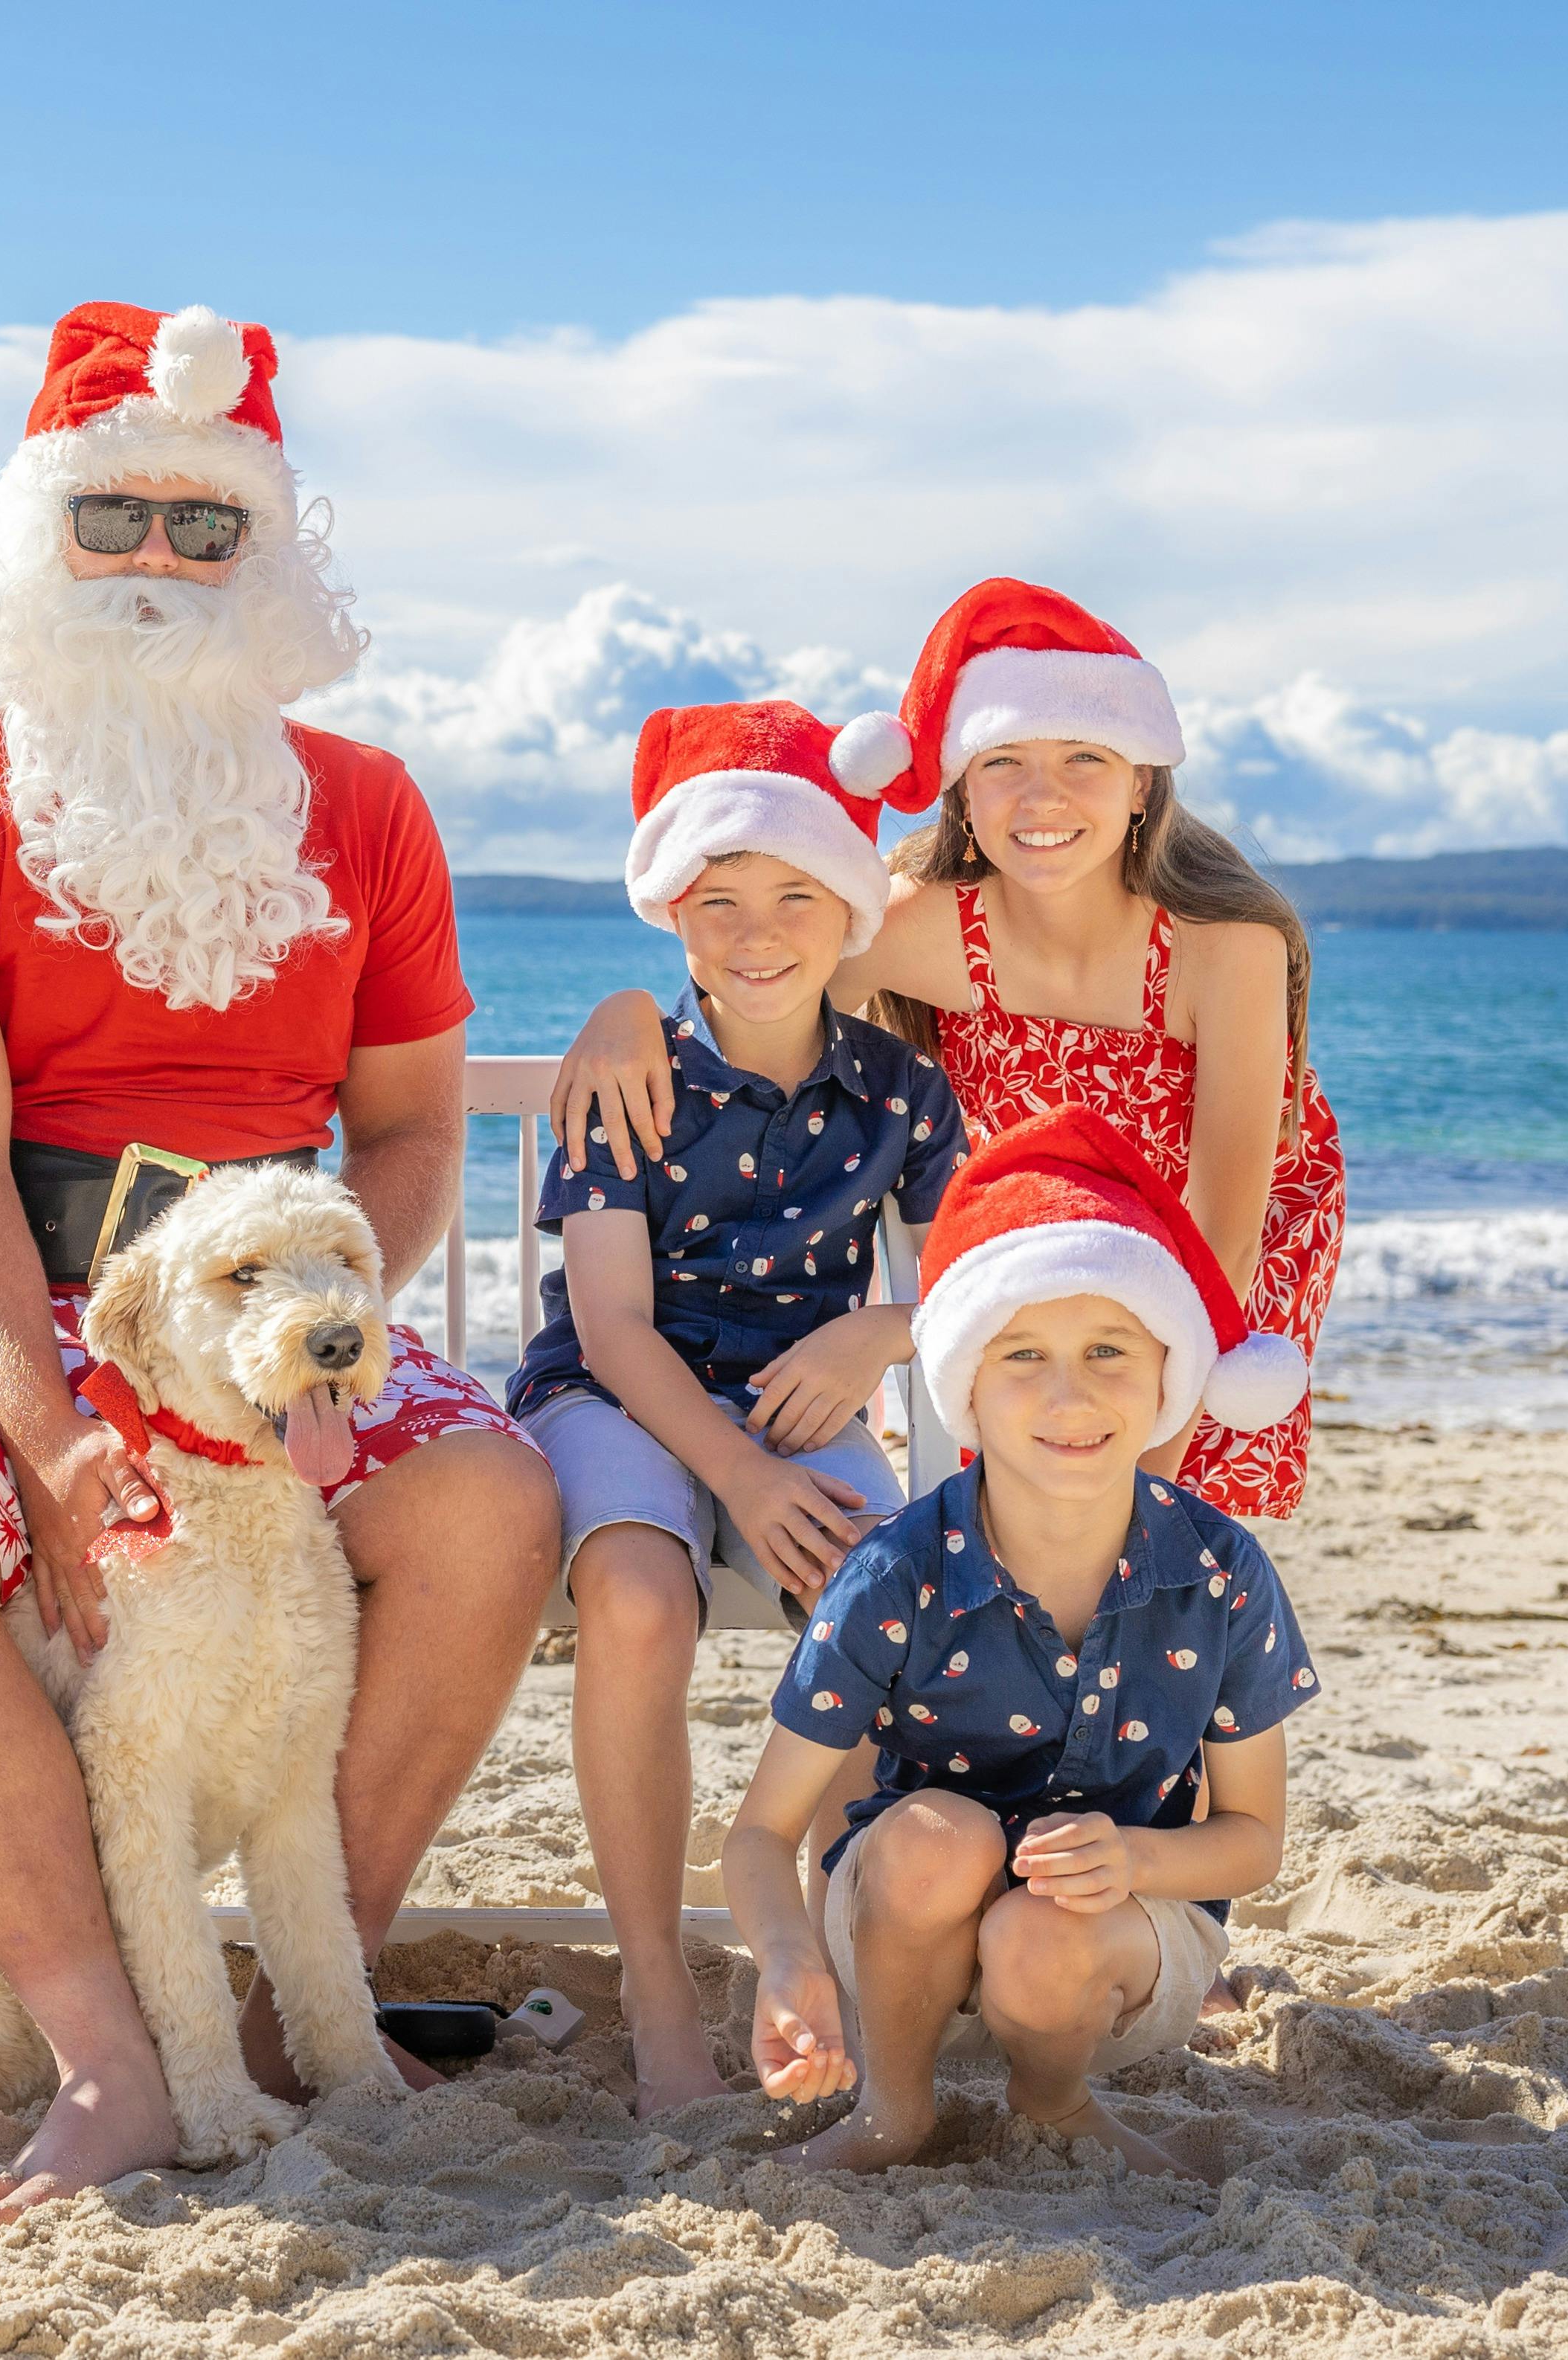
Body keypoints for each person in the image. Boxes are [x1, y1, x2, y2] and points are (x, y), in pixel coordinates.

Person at [0, 301, 559, 2222]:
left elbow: (397, 1133)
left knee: (482, 1494)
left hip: (273, 1283)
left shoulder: (366, 808)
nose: (149, 563)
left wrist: (302, 1335)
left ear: (264, 555)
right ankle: (109, 2061)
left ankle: (306, 1999)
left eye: (199, 528)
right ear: (31, 537)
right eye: (106, 517)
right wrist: (51, 1432)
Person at [550, 579, 1346, 1525]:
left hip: (1216, 1265)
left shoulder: (1224, 946)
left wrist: (1147, 1479)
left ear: (1141, 782)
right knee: (1019, 1530)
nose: (1041, 796)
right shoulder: (917, 927)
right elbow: (761, 1001)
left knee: (1154, 1548)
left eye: (1084, 757)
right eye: (1002, 759)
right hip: (1029, 1271)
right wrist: (631, 1009)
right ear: (961, 784)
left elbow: (1225, 1233)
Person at [509, 698, 963, 2115]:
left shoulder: (898, 1089)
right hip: (614, 1392)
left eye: (792, 897)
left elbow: (974, 1276)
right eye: (716, 902)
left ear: (846, 914)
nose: (754, 932)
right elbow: (610, 1326)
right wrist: (743, 1484)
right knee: (638, 1597)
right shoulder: (626, 1075)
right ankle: (654, 1981)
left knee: (878, 1593)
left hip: (794, 1396)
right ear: (670, 914)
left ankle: (833, 1954)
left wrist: (874, 1329)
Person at [722, 1106, 1317, 2178]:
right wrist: (785, 1959)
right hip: (901, 1947)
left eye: (1106, 1349)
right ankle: (892, 2113)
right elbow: (759, 1833)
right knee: (935, 1835)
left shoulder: (1219, 1573)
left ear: (1163, 1375)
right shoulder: (897, 1572)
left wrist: (1130, 1856)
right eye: (1021, 1355)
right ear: (965, 1389)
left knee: (1038, 1930)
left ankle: (1053, 2104)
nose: (1067, 1393)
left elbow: (1253, 1838)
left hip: (1111, 1959)